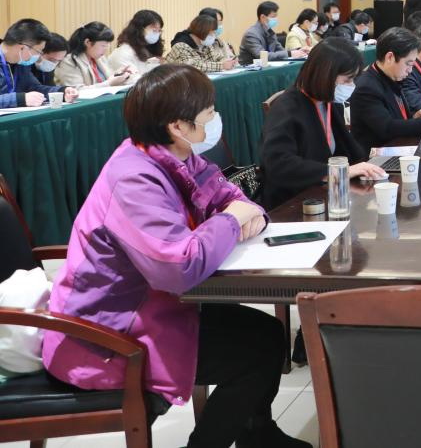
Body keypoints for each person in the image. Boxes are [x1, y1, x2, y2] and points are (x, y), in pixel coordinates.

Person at [41, 64, 310, 448]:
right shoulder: (134, 179)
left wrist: (243, 213)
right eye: (208, 114)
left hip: (152, 308)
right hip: (106, 335)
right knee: (254, 352)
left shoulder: (176, 156)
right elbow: (179, 267)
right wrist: (232, 221)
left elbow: (232, 196)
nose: (214, 121)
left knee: (267, 334)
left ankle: (258, 434)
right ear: (177, 126)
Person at [260, 38, 386, 209]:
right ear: (325, 76)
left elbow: (347, 151)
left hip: (325, 194)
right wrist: (339, 172)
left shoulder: (326, 102)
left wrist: (369, 164)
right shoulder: (287, 109)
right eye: (347, 80)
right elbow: (279, 164)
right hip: (292, 203)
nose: (351, 86)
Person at [349, 28, 421, 150]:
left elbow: (397, 116)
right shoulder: (367, 88)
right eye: (408, 64)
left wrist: (414, 116)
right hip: (376, 156)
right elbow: (387, 128)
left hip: (399, 146)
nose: (410, 70)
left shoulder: (391, 77)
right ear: (390, 57)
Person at [0, 18, 66, 108]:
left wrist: (62, 91)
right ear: (23, 48)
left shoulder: (21, 64)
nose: (38, 56)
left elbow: (34, 87)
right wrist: (21, 99)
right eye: (38, 51)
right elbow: (22, 98)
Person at [56, 22, 134, 87]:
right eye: (103, 45)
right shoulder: (69, 61)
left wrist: (120, 74)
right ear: (88, 43)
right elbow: (77, 91)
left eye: (108, 45)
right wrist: (109, 83)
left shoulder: (100, 58)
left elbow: (107, 79)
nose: (106, 49)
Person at [166, 13, 239, 73]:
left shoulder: (205, 44)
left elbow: (217, 57)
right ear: (203, 31)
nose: (214, 36)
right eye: (212, 33)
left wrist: (228, 61)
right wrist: (222, 66)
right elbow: (192, 66)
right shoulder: (180, 46)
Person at [239, 1, 306, 65]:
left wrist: (298, 50)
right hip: (250, 70)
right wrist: (290, 53)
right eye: (273, 17)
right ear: (262, 17)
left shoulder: (270, 32)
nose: (276, 19)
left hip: (267, 67)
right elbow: (262, 56)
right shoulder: (251, 34)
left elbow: (281, 51)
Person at [110, 9, 166, 77]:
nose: (157, 34)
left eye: (159, 31)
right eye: (154, 30)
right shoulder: (123, 53)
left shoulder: (148, 50)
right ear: (139, 29)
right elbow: (133, 80)